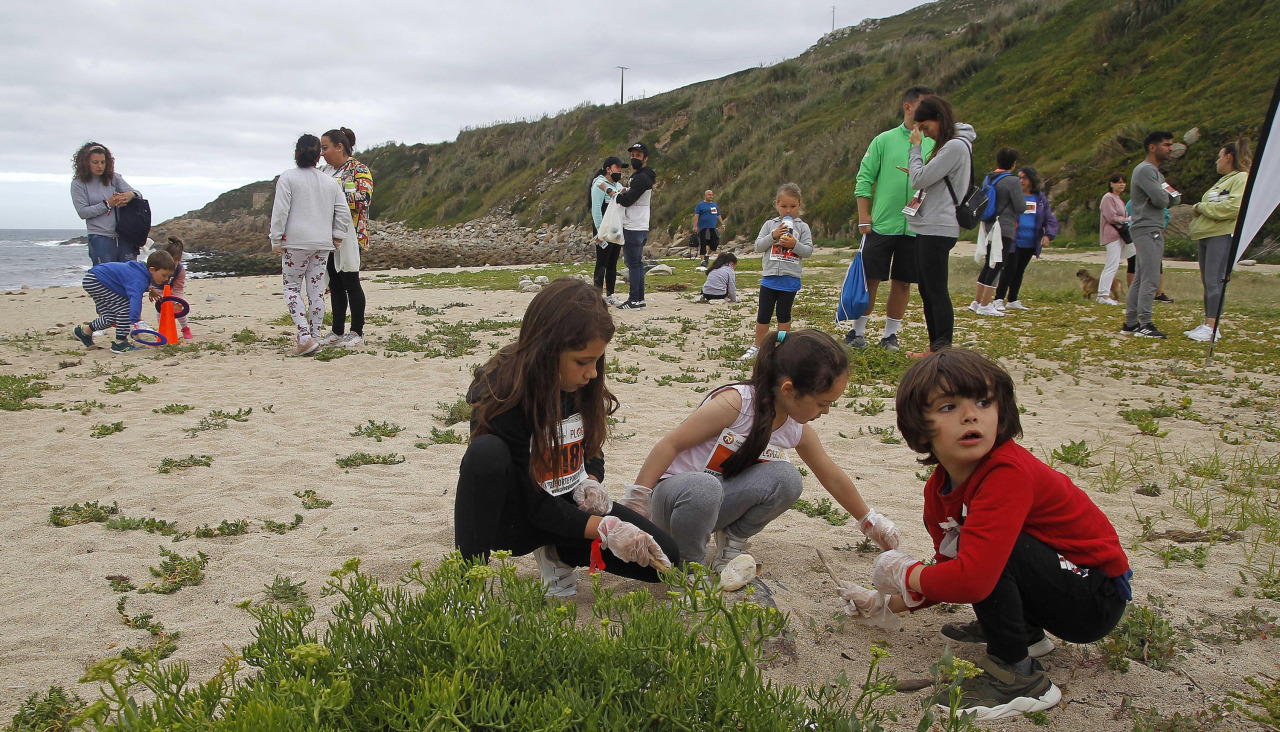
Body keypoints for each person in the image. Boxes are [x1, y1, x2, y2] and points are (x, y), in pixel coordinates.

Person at [835, 349, 1131, 722]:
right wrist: (885, 603)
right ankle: (1024, 633)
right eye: (948, 407)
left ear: (1002, 413)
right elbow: (950, 567)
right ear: (919, 427)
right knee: (977, 550)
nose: (970, 414)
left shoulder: (1007, 472)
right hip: (1057, 582)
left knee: (989, 556)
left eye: (984, 402)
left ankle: (1017, 676)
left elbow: (972, 579)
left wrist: (905, 573)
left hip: (1093, 597)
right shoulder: (938, 490)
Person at [455, 278, 678, 597]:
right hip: (519, 520)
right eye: (582, 361)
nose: (592, 373)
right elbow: (535, 504)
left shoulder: (579, 384)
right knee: (485, 452)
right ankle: (467, 587)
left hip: (567, 508)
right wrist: (604, 528)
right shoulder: (502, 394)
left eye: (597, 360)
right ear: (547, 351)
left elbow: (591, 448)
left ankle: (558, 554)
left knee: (667, 559)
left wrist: (592, 481)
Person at [621, 329, 899, 569]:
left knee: (787, 478)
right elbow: (670, 444)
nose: (825, 411)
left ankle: (732, 540)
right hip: (674, 504)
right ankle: (687, 566)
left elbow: (831, 475)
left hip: (714, 505)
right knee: (704, 487)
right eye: (821, 403)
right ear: (789, 390)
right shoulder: (735, 404)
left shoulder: (795, 426)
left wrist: (869, 520)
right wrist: (637, 502)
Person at [845, 85, 935, 351]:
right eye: (925, 105)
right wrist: (864, 216)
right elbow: (864, 178)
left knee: (904, 282)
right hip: (882, 224)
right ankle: (857, 332)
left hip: (915, 226)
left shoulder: (934, 142)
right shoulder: (883, 140)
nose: (931, 112)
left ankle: (890, 336)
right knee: (871, 279)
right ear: (908, 107)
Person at [269, 134, 352, 356]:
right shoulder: (329, 181)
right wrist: (337, 236)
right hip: (322, 242)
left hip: (295, 242)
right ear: (318, 156)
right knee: (316, 290)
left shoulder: (288, 178)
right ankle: (314, 336)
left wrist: (276, 238)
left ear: (296, 153)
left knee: (292, 288)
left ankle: (305, 337)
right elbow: (343, 212)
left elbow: (280, 211)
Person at [907, 96, 977, 355]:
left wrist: (915, 149)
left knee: (935, 291)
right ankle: (935, 348)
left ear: (938, 118)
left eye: (925, 127)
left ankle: (942, 351)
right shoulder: (953, 145)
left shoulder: (955, 146)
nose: (925, 134)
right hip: (930, 225)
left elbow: (918, 179)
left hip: (938, 226)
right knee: (928, 290)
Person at [1185, 139, 1251, 342]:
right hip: (1207, 234)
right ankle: (1209, 322)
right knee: (1208, 281)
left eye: (1219, 156)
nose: (1217, 161)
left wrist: (1201, 207)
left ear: (1228, 157)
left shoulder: (1241, 178)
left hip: (1221, 234)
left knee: (1215, 280)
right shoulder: (1225, 180)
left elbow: (1234, 207)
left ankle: (1212, 328)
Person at [740, 184, 813, 361]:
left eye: (793, 206)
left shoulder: (803, 227)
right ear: (777, 205)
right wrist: (773, 236)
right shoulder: (769, 225)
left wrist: (794, 244)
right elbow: (758, 246)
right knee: (763, 315)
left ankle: (781, 347)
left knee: (783, 316)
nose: (788, 210)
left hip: (789, 280)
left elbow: (808, 251)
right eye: (784, 206)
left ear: (799, 205)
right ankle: (758, 346)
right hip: (769, 279)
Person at [317, 128, 373, 348]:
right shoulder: (324, 171)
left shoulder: (359, 169)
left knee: (351, 281)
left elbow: (364, 199)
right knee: (335, 283)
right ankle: (337, 331)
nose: (322, 153)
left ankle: (357, 331)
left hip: (352, 234)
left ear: (339, 147)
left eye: (325, 148)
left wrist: (337, 194)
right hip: (328, 235)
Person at [1123, 130, 1181, 339]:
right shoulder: (1146, 170)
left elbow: (1175, 198)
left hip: (1150, 227)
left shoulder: (1157, 173)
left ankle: (1131, 323)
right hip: (1147, 228)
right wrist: (1161, 197)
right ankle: (1145, 323)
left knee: (1141, 276)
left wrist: (1161, 196)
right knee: (1151, 277)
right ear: (1152, 147)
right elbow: (1163, 199)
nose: (1171, 148)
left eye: (1171, 144)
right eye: (1167, 144)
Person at [73, 251, 175, 354]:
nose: (166, 279)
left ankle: (84, 331)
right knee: (125, 309)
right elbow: (135, 298)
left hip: (95, 279)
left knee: (111, 317)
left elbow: (130, 280)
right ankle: (120, 343)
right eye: (164, 275)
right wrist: (134, 321)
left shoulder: (141, 272)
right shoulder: (139, 279)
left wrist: (149, 289)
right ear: (152, 269)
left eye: (168, 276)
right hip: (96, 281)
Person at [993, 167, 1058, 310]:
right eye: (1019, 177)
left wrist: (1048, 235)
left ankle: (1012, 299)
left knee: (1019, 270)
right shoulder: (1015, 195)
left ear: (1032, 180)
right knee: (1010, 268)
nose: (1021, 181)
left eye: (1025, 178)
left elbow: (1049, 218)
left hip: (1030, 241)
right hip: (1013, 239)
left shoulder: (1040, 198)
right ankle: (998, 298)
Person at [970, 148, 1025, 317]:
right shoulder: (1013, 181)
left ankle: (977, 301)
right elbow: (1020, 206)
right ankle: (986, 304)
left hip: (988, 223)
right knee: (998, 263)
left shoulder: (989, 177)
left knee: (989, 262)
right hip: (1004, 225)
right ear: (1013, 164)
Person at [70, 142, 141, 265]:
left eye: (103, 162)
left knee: (129, 273)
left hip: (125, 236)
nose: (100, 166)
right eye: (95, 162)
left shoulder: (114, 178)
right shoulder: (78, 184)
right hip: (100, 237)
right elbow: (83, 212)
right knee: (105, 275)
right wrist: (108, 204)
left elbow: (138, 194)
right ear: (85, 163)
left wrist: (130, 195)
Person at [615, 142, 657, 310]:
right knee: (637, 263)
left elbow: (627, 201)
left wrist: (615, 195)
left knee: (633, 263)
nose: (634, 159)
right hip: (641, 224)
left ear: (645, 158)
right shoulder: (643, 176)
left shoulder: (641, 178)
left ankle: (633, 299)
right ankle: (639, 299)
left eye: (638, 156)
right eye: (632, 155)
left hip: (633, 225)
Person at [590, 156, 627, 304]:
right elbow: (596, 209)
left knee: (613, 262)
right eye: (617, 167)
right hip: (603, 231)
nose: (620, 170)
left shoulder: (618, 186)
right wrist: (600, 231)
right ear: (608, 169)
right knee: (602, 262)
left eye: (621, 168)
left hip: (615, 230)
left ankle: (610, 294)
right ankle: (597, 295)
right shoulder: (599, 185)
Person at [1096, 173, 1130, 306]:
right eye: (1118, 182)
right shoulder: (1108, 197)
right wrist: (1127, 220)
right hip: (1112, 234)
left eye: (1123, 182)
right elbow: (1111, 217)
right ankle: (1103, 295)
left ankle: (1103, 294)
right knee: (1111, 264)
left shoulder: (1118, 199)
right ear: (1111, 184)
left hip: (1119, 235)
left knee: (1114, 264)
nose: (1121, 185)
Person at [154, 236, 193, 340]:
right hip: (159, 289)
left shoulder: (180, 270)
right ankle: (163, 331)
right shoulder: (156, 266)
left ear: (179, 260)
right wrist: (157, 295)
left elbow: (178, 287)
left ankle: (185, 328)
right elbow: (151, 282)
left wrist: (177, 301)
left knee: (178, 310)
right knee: (161, 311)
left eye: (173, 264)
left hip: (172, 289)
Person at [692, 190, 728, 270]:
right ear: (705, 195)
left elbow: (718, 215)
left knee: (715, 243)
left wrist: (722, 224)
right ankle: (703, 261)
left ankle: (707, 255)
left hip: (712, 228)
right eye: (709, 195)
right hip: (703, 228)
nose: (711, 196)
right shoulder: (700, 205)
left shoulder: (714, 205)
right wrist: (695, 226)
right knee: (703, 244)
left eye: (712, 195)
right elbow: (696, 216)